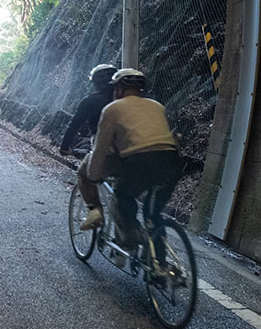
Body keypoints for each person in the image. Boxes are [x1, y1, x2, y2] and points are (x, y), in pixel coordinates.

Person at [84, 68, 183, 250]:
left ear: (119, 88)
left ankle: (131, 238)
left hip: (140, 161)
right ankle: (161, 266)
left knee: (123, 196)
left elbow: (100, 148)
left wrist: (92, 177)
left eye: (115, 88)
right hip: (171, 161)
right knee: (152, 214)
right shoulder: (157, 106)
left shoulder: (112, 109)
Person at [61, 64, 116, 230]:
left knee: (84, 174)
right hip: (134, 148)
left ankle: (95, 212)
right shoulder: (125, 100)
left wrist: (64, 146)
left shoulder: (90, 101)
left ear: (95, 83)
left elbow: (74, 125)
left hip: (105, 148)